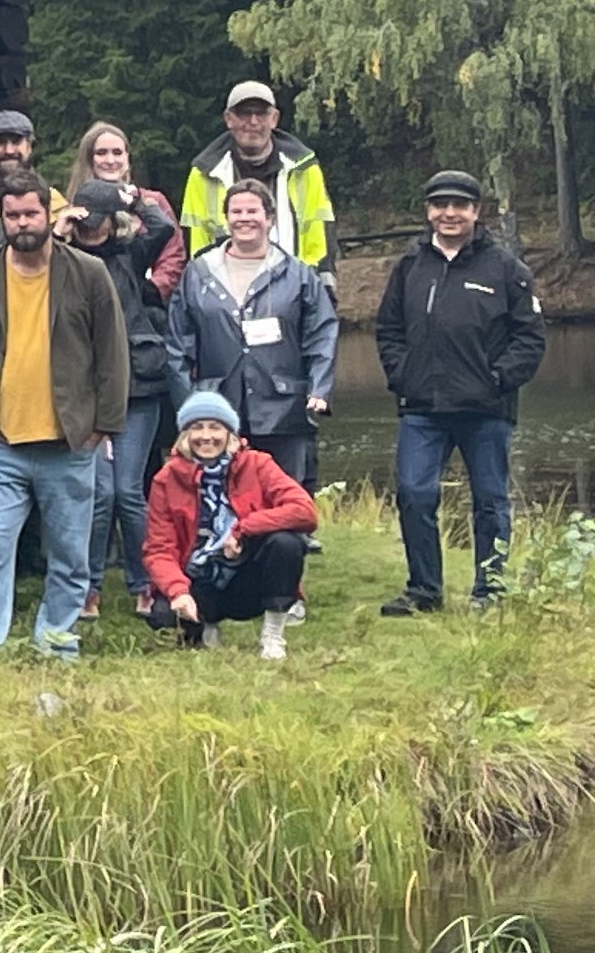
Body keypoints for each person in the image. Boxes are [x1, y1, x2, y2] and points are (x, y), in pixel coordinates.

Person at [0, 163, 129, 661]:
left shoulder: (88, 273)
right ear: (1, 218)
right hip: (0, 442)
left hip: (69, 442)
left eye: (30, 214)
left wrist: (103, 426)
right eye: (12, 215)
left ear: (48, 214)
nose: (22, 223)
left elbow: (112, 355)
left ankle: (56, 639)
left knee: (69, 553)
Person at [373, 167, 548, 615]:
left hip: (486, 409)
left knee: (490, 502)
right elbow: (388, 329)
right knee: (414, 495)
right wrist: (403, 375)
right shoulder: (410, 266)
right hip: (422, 407)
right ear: (428, 211)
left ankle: (489, 592)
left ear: (476, 211)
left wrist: (498, 379)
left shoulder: (505, 268)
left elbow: (530, 339)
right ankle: (424, 591)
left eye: (459, 205)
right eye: (440, 205)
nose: (449, 213)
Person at [62, 177, 183, 612]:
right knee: (99, 495)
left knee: (129, 492)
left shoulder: (131, 253)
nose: (92, 229)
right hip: (85, 392)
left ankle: (145, 583)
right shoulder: (62, 260)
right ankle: (88, 586)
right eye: (85, 222)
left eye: (99, 221)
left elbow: (164, 228)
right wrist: (59, 231)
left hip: (138, 388)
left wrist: (132, 200)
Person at [171, 178, 337, 488]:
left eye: (252, 211)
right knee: (222, 498)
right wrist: (190, 403)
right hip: (219, 410)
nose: (244, 218)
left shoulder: (299, 274)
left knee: (286, 497)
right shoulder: (197, 274)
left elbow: (322, 334)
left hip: (285, 410)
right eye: (236, 212)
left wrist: (319, 390)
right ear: (226, 218)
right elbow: (178, 344)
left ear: (270, 219)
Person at [138, 387, 318, 657]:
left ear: (229, 433)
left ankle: (273, 635)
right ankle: (204, 624)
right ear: (185, 435)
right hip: (197, 577)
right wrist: (177, 591)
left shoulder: (257, 464)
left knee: (286, 543)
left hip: (247, 577)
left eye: (215, 427)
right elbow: (158, 549)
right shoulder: (166, 479)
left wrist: (243, 528)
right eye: (197, 428)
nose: (206, 436)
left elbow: (304, 511)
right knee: (162, 615)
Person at [182, 78, 335, 271]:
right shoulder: (204, 173)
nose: (253, 122)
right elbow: (196, 242)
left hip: (294, 281)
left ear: (274, 118)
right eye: (244, 113)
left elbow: (320, 234)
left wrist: (313, 280)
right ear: (228, 119)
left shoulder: (304, 169)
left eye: (261, 113)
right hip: (226, 283)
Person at [70, 123, 186, 299]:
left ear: (127, 157)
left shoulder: (152, 201)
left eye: (117, 153)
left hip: (142, 303)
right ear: (88, 158)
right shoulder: (74, 205)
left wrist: (153, 290)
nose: (110, 161)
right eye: (101, 153)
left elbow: (173, 253)